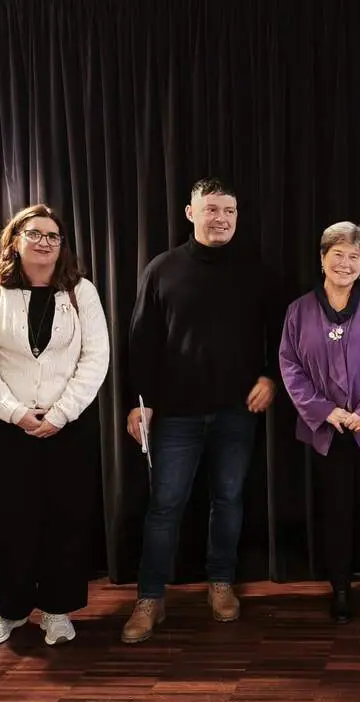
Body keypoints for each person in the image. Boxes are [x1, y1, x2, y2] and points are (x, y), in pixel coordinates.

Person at [121, 178, 279, 644]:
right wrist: (141, 403)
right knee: (165, 507)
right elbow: (141, 343)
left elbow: (282, 333)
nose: (221, 219)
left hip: (236, 412)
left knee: (228, 501)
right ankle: (150, 598)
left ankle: (220, 583)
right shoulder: (162, 270)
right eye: (211, 209)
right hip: (175, 415)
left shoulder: (256, 269)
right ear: (191, 213)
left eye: (229, 211)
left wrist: (270, 377)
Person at [0, 203, 110, 648]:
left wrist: (61, 413)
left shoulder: (80, 291)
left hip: (70, 425)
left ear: (61, 245)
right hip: (12, 428)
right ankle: (9, 610)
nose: (44, 241)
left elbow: (95, 357)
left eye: (53, 235)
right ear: (15, 239)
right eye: (35, 233)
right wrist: (15, 412)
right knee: (12, 521)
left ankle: (57, 610)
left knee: (65, 518)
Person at [278, 222, 360, 623]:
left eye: (354, 256)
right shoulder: (298, 310)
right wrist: (325, 411)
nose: (346, 263)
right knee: (336, 511)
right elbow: (289, 366)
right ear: (322, 258)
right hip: (326, 431)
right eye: (338, 254)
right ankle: (341, 588)